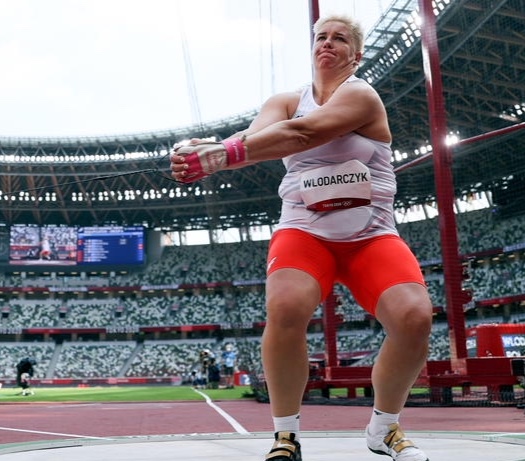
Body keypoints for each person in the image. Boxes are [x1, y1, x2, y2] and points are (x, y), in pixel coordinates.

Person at [170, 14, 432, 461]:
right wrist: (202, 149)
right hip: (305, 230)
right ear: (312, 47)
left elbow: (301, 133)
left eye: (340, 38)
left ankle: (384, 427)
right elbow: (256, 137)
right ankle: (285, 435)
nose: (328, 43)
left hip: (370, 234)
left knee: (414, 318)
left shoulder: (361, 95)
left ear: (357, 54)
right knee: (286, 307)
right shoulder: (287, 100)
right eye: (321, 37)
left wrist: (219, 156)